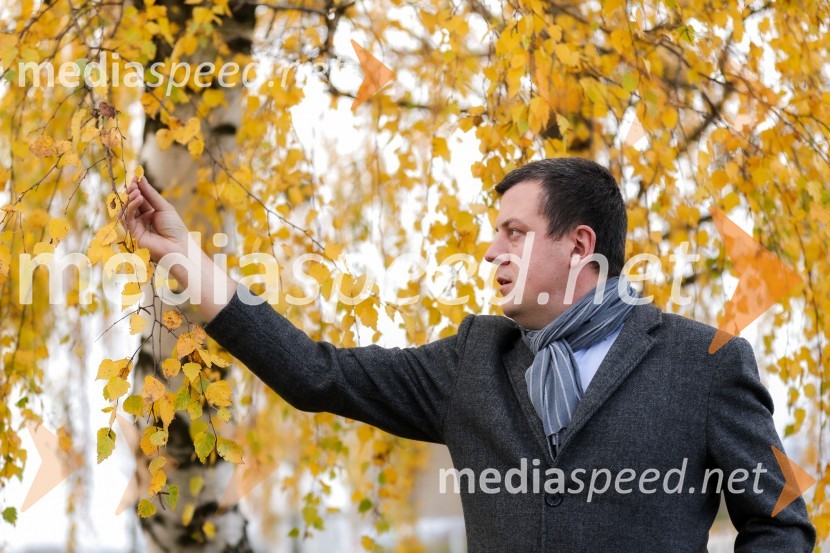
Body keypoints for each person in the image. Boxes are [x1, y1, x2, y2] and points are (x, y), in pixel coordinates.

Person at [120, 157, 816, 551]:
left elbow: (781, 523)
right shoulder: (472, 361)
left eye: (514, 232)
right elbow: (316, 373)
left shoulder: (706, 363)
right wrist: (184, 258)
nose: (492, 251)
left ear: (578, 246)